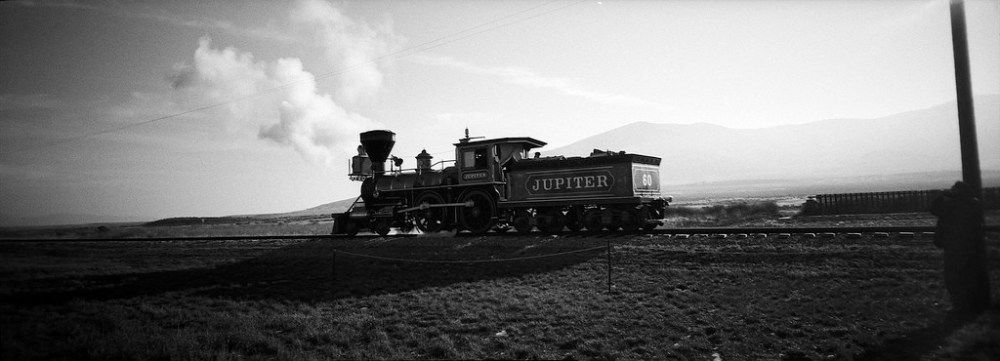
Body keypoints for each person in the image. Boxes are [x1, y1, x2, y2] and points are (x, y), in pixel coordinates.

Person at [930, 181, 991, 314]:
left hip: (953, 245)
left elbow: (934, 209)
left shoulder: (952, 204)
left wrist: (942, 195)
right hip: (970, 244)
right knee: (968, 275)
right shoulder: (974, 203)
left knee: (953, 276)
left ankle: (959, 305)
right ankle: (972, 305)